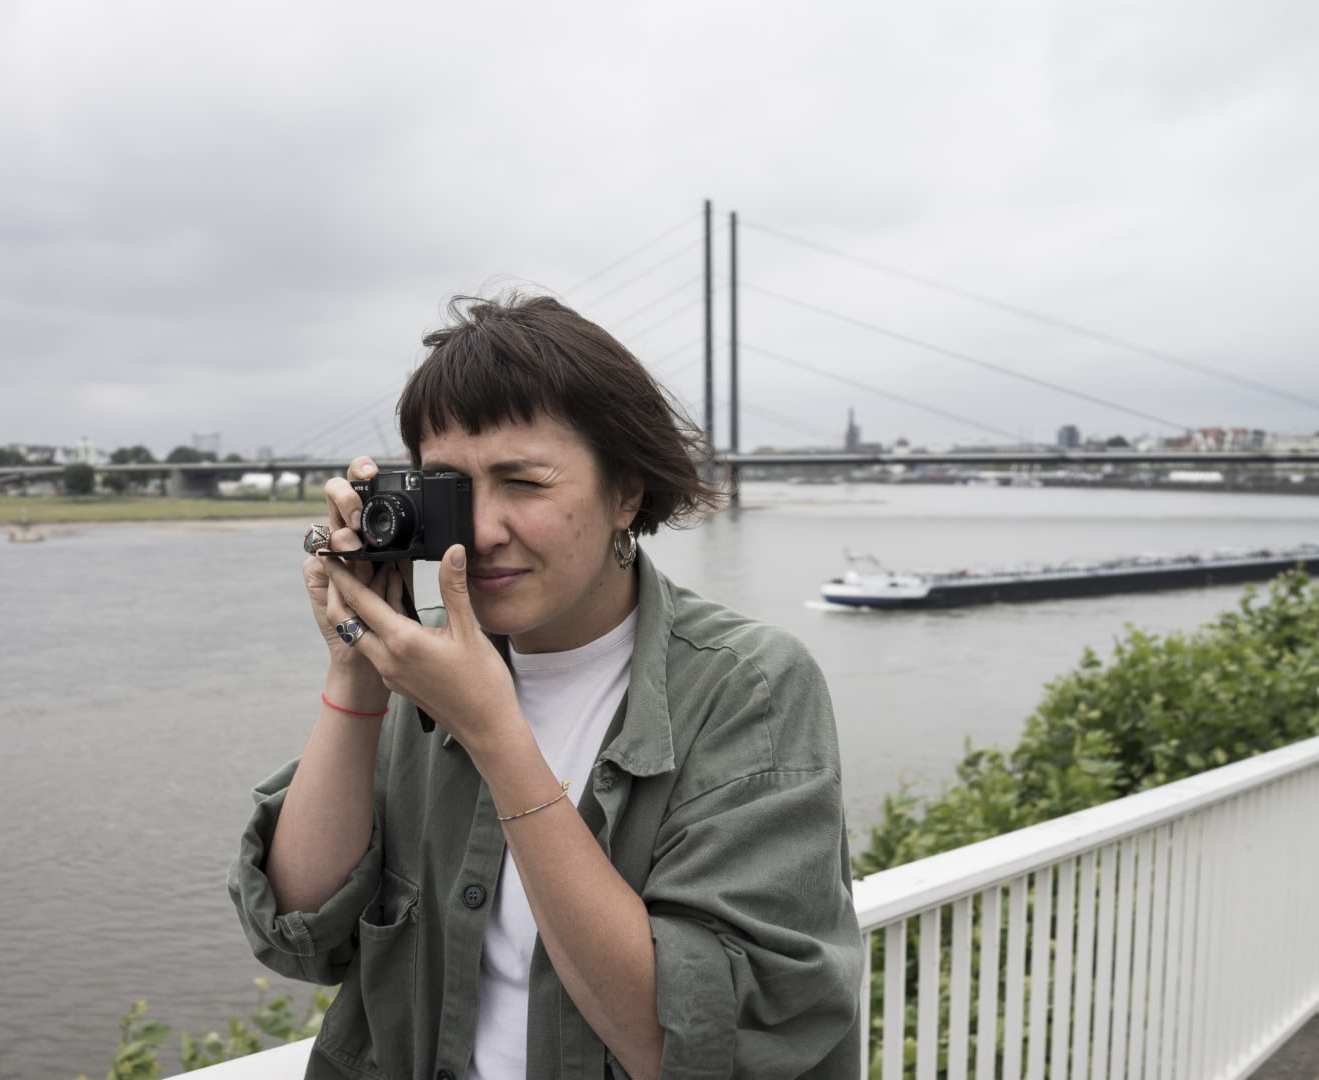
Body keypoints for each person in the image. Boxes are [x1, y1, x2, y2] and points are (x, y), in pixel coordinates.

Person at [229, 294, 862, 1079]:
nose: (482, 531)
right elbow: (299, 931)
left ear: (625, 492)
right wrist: (355, 670)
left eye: (524, 483)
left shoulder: (749, 687)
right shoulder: (420, 664)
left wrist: (495, 735)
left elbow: (690, 1047)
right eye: (453, 490)